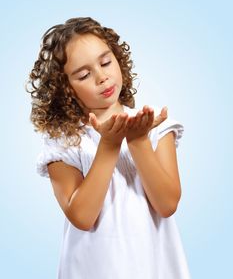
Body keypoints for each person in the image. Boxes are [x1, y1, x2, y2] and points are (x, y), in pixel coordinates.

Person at [27, 16, 191, 278]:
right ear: (65, 89)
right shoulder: (64, 142)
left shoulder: (155, 127)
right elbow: (82, 216)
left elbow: (167, 204)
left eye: (105, 62)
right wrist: (109, 146)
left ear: (118, 59)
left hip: (155, 267)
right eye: (84, 74)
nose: (102, 77)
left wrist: (138, 142)